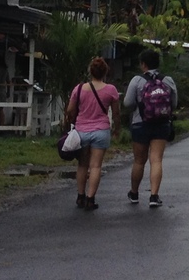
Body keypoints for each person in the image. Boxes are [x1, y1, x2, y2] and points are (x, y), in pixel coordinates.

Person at [124, 48, 178, 207]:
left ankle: (134, 193)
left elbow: (128, 103)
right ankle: (154, 196)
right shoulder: (168, 80)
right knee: (156, 160)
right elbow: (173, 104)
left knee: (139, 161)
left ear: (143, 64)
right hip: (161, 125)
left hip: (140, 124)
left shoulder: (137, 80)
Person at [65, 56, 119, 210]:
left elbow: (70, 110)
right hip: (101, 131)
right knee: (95, 166)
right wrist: (117, 129)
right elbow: (116, 113)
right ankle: (90, 199)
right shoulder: (111, 90)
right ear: (105, 72)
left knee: (82, 165)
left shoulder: (80, 88)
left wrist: (73, 121)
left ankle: (80, 196)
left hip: (81, 131)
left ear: (90, 71)